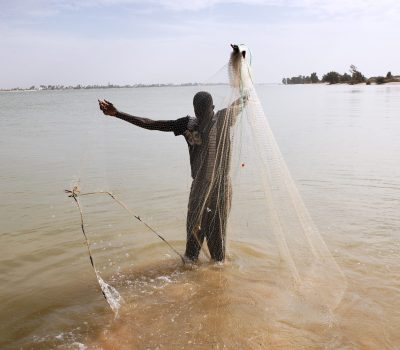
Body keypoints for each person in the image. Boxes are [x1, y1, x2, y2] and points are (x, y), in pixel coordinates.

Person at [98, 91, 247, 262]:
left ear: (213, 108)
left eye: (204, 112)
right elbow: (152, 124)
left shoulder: (223, 118)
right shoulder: (188, 124)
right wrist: (117, 114)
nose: (201, 118)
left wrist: (239, 66)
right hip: (199, 189)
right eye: (198, 113)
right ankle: (191, 275)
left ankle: (215, 281)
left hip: (220, 189)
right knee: (192, 245)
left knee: (217, 246)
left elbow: (244, 98)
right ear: (194, 110)